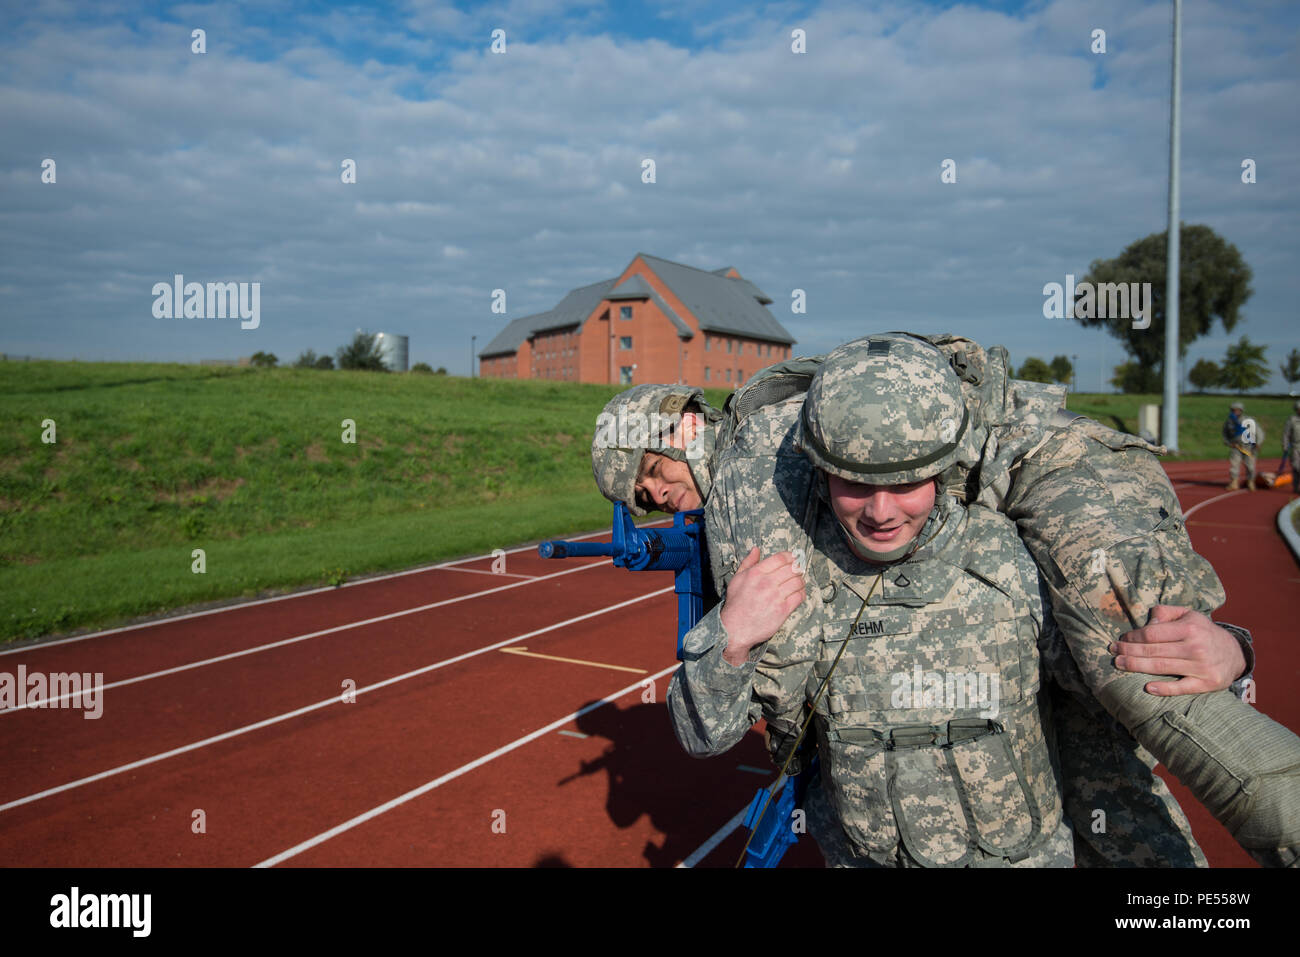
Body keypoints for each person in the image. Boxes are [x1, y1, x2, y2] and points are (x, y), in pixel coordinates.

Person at [591, 336, 1260, 865]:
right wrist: (732, 635)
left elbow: (753, 701)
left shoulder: (748, 476)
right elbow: (712, 724)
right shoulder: (781, 470)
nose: (663, 501)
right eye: (647, 500)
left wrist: (1226, 644)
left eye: (654, 477)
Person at [669, 335, 1073, 866]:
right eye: (854, 482)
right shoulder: (796, 576)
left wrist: (1223, 653)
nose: (880, 511)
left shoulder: (1009, 558)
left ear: (943, 468)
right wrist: (733, 636)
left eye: (905, 480)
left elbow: (1110, 692)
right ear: (821, 472)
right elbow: (704, 736)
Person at [1223, 401, 1264, 491]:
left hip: (1249, 447)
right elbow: (1225, 434)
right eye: (1233, 410)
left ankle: (1250, 482)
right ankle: (1234, 483)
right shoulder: (1229, 422)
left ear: (1241, 411)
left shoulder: (1249, 420)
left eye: (1237, 410)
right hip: (1236, 447)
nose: (1235, 412)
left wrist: (1258, 443)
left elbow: (1259, 432)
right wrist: (1228, 443)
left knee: (1250, 466)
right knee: (1234, 466)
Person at [1284, 400, 1300, 499]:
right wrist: (1285, 446)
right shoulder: (1291, 420)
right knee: (1296, 466)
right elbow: (1286, 434)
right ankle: (1296, 485)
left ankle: (1297, 486)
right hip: (1295, 447)